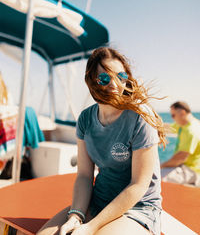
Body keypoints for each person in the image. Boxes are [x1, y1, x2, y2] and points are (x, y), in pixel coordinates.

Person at [37, 47, 166, 235]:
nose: (115, 84)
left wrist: (91, 226)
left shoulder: (140, 117)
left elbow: (139, 184)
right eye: (105, 78)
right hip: (99, 200)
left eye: (121, 76)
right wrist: (76, 216)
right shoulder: (85, 119)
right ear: (92, 82)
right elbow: (84, 175)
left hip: (139, 208)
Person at [161, 101, 200, 186]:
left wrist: (161, 166)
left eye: (173, 115)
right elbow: (168, 127)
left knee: (156, 177)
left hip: (192, 171)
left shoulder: (191, 131)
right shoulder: (184, 125)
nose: (172, 118)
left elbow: (181, 158)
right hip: (185, 167)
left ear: (182, 112)